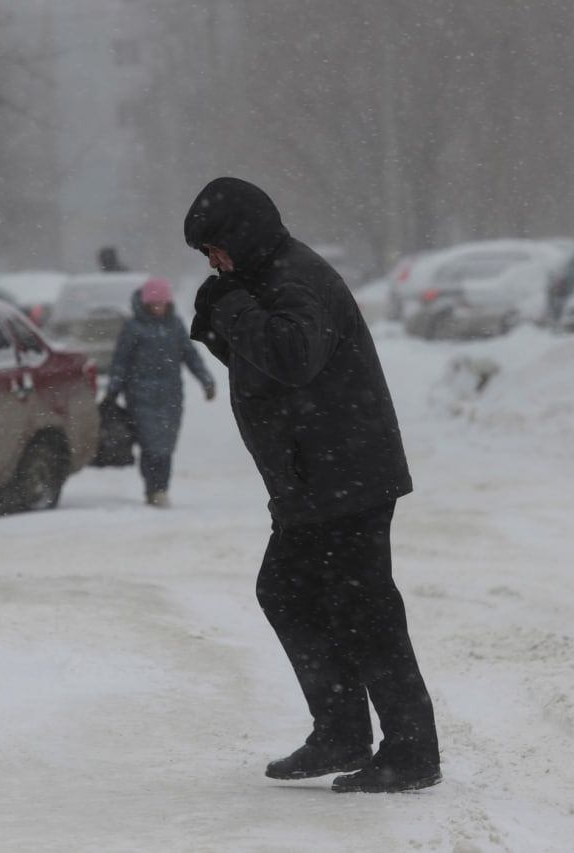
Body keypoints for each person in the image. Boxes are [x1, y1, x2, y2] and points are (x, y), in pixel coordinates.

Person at [184, 177, 440, 793]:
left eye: (216, 249)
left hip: (344, 474)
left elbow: (293, 356)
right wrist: (221, 314)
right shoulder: (266, 278)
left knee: (365, 608)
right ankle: (342, 732)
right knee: (289, 593)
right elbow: (262, 363)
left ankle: (411, 752)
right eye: (206, 255)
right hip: (314, 478)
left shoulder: (295, 278)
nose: (214, 262)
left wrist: (231, 307)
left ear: (243, 235)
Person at [105, 277, 215, 507]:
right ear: (145, 304)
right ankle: (153, 488)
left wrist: (206, 380)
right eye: (154, 303)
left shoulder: (175, 326)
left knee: (166, 446)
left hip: (171, 397)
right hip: (140, 397)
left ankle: (161, 488)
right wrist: (112, 391)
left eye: (162, 303)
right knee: (150, 445)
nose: (158, 307)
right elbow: (120, 362)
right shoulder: (133, 328)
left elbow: (190, 355)